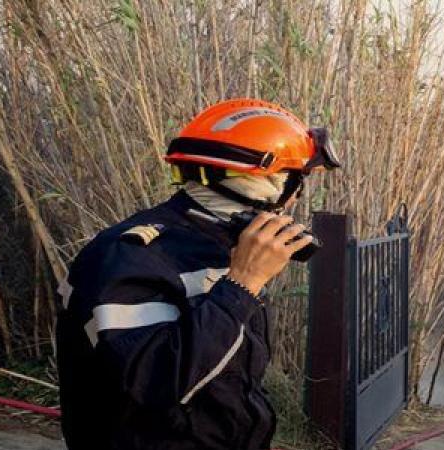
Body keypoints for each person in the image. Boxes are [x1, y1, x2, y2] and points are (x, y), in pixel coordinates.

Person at [55, 99, 341, 449]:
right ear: (264, 182)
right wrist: (242, 285)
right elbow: (155, 385)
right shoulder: (130, 255)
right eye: (295, 180)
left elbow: (227, 377)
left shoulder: (223, 246)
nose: (294, 199)